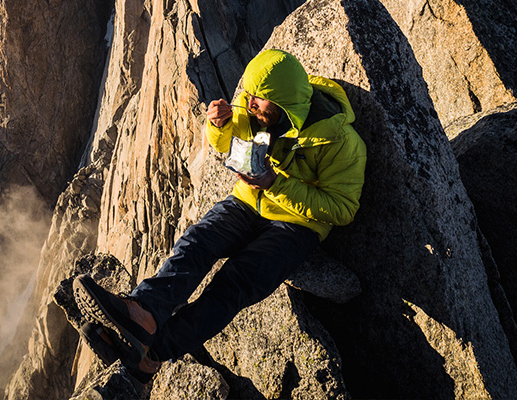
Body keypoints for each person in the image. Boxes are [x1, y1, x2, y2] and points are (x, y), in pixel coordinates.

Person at [73, 49, 367, 384]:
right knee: (197, 242)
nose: (249, 101)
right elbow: (226, 142)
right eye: (250, 94)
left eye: (258, 98)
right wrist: (217, 125)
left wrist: (276, 184)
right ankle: (143, 313)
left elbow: (343, 209)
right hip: (246, 201)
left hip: (296, 225)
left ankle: (149, 356)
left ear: (284, 102)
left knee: (235, 283)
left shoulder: (341, 142)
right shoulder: (254, 111)